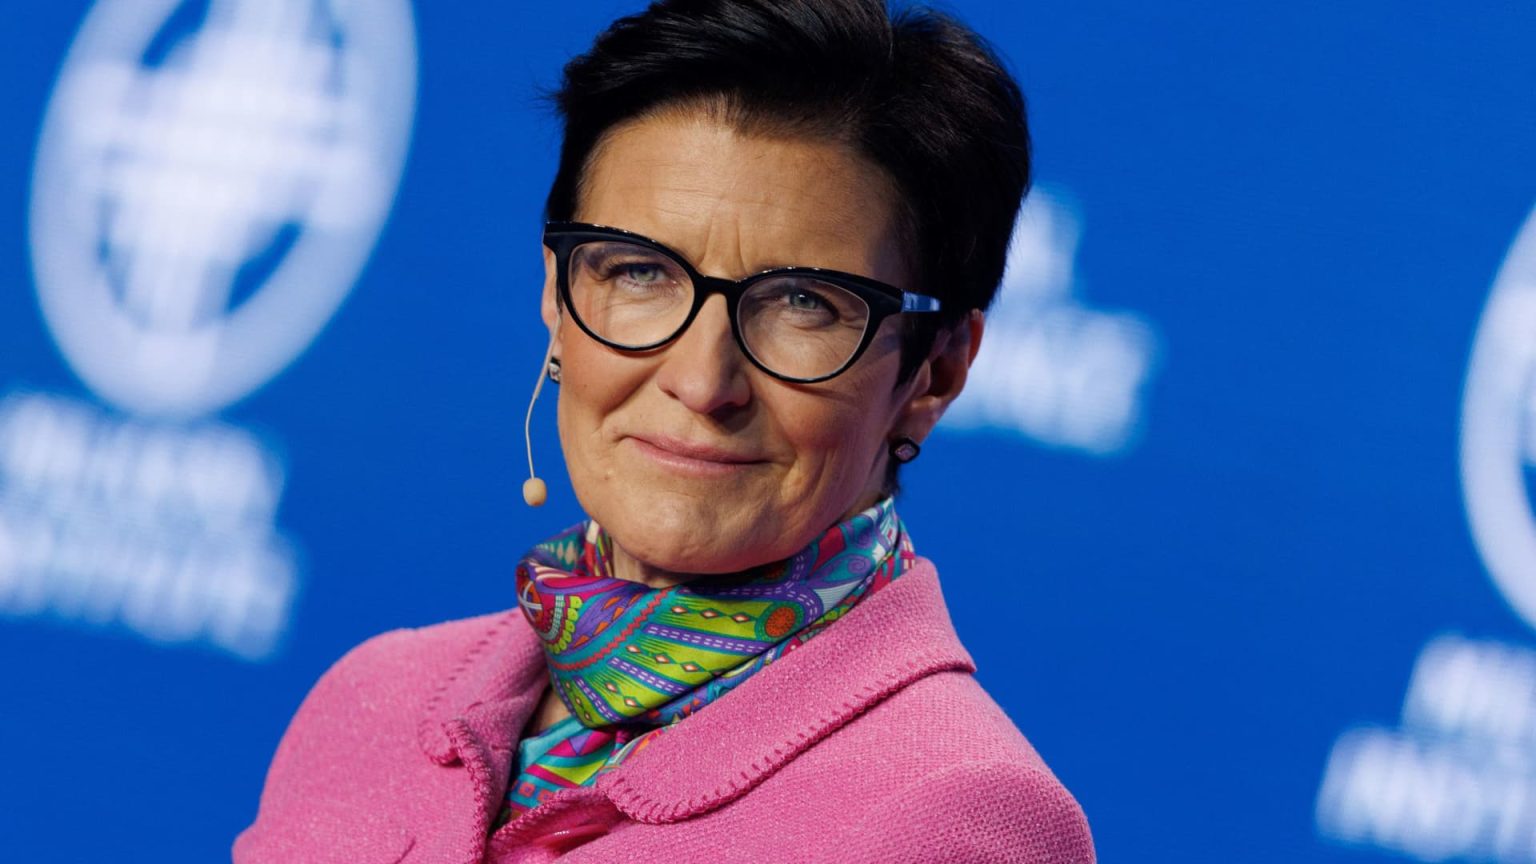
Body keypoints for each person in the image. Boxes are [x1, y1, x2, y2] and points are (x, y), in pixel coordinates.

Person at [235, 0, 1095, 861]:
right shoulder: (371, 704)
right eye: (640, 272)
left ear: (936, 370)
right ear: (557, 296)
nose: (701, 381)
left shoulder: (954, 813)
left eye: (803, 303)